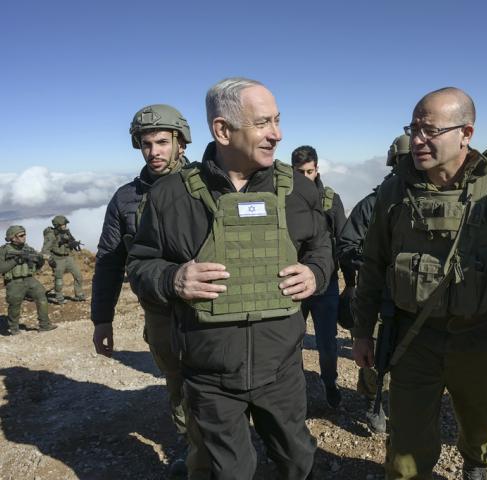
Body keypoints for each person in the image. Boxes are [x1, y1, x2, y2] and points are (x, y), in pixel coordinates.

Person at [351, 87, 487, 480]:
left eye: (429, 130)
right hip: (413, 340)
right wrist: (363, 332)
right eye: (413, 128)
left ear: (465, 133)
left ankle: (476, 465)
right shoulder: (394, 192)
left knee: (481, 424)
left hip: (482, 338)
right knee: (405, 452)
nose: (417, 139)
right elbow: (372, 265)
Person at [127, 77, 333, 480]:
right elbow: (140, 263)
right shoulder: (171, 196)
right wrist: (172, 278)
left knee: (298, 462)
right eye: (263, 123)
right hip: (209, 373)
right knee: (230, 471)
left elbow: (321, 245)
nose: (277, 134)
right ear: (222, 130)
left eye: (277, 120)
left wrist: (316, 272)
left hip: (282, 368)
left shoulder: (298, 191)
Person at [91, 104, 209, 479]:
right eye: (146, 144)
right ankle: (196, 457)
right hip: (160, 314)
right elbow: (109, 262)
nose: (154, 151)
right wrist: (102, 319)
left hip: (211, 310)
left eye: (162, 141)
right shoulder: (126, 199)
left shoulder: (208, 185)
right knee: (177, 388)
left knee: (219, 387)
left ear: (180, 142)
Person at [336, 133, 409, 433]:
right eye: (403, 161)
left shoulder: (431, 200)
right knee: (378, 353)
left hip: (418, 297)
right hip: (380, 295)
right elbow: (346, 244)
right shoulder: (373, 203)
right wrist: (372, 263)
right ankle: (372, 401)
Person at [291, 145, 347, 408]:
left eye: (309, 172)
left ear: (317, 170)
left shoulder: (329, 200)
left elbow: (344, 242)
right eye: (299, 172)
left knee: (327, 343)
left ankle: (329, 382)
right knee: (292, 342)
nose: (305, 177)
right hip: (292, 283)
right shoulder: (284, 200)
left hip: (326, 283)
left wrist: (352, 285)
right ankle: (296, 389)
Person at [0, 225, 57, 334]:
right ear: (13, 238)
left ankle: (44, 325)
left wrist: (41, 260)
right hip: (14, 282)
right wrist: (16, 261)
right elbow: (1, 268)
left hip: (29, 279)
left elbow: (37, 267)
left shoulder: (28, 249)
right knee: (15, 305)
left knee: (41, 295)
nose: (24, 237)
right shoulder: (4, 250)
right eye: (21, 235)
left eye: (24, 234)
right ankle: (14, 328)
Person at [42, 215, 85, 304]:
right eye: (63, 224)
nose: (65, 226)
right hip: (57, 259)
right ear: (57, 225)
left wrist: (73, 244)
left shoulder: (66, 232)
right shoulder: (51, 235)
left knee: (78, 276)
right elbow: (44, 251)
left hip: (68, 257)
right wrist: (49, 259)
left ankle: (79, 294)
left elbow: (71, 240)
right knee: (59, 280)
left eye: (65, 224)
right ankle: (59, 298)